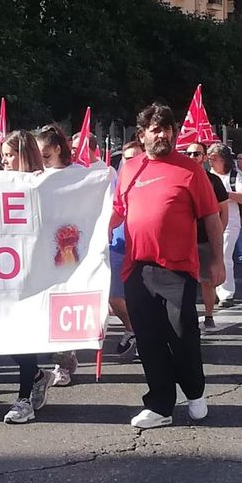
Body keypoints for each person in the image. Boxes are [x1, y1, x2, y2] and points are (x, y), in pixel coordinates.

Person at [111, 103, 223, 429]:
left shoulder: (190, 169)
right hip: (137, 267)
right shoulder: (129, 169)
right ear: (142, 135)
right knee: (148, 339)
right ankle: (160, 405)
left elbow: (211, 217)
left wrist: (217, 260)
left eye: (167, 128)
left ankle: (194, 390)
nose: (163, 134)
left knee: (182, 336)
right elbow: (117, 211)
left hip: (177, 269)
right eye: (156, 129)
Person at [0, 130, 54, 424]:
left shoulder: (43, 184)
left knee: (23, 338)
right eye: (3, 156)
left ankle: (23, 400)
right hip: (2, 273)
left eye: (10, 155)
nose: (5, 161)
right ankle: (38, 376)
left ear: (25, 155)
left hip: (33, 274)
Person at [35, 125, 83, 386]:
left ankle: (63, 362)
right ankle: (66, 355)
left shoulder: (79, 175)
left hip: (72, 249)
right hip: (44, 250)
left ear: (57, 148)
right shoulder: (38, 176)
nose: (42, 159)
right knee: (47, 307)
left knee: (65, 304)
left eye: (45, 154)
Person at [182, 142, 229, 332]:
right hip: (185, 239)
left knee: (207, 281)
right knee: (184, 281)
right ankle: (187, 317)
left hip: (205, 239)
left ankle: (209, 316)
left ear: (204, 157)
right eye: (189, 154)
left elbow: (223, 211)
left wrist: (217, 235)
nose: (192, 157)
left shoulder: (213, 181)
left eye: (196, 154)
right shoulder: (181, 177)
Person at [111, 141, 142, 355]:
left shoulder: (149, 180)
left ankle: (144, 337)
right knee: (113, 297)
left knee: (140, 298)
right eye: (127, 158)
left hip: (141, 248)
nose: (131, 162)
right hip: (117, 245)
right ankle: (133, 329)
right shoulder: (114, 180)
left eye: (135, 157)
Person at [206, 142, 242, 308]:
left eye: (215, 158)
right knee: (210, 256)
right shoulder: (207, 176)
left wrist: (225, 194)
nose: (211, 161)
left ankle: (227, 294)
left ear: (224, 160)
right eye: (210, 158)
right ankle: (213, 289)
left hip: (231, 223)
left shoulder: (234, 177)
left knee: (224, 254)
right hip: (210, 221)